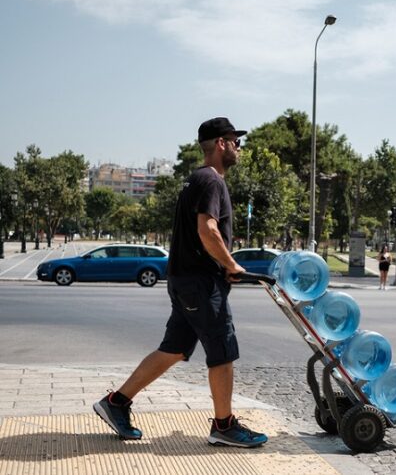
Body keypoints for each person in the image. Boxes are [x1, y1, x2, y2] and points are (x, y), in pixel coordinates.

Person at [93, 117, 268, 449]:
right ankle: (224, 425)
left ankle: (116, 402)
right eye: (235, 141)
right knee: (222, 350)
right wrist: (230, 264)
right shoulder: (211, 180)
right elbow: (208, 230)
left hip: (186, 280)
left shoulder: (196, 179)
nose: (238, 148)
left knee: (173, 350)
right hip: (200, 282)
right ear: (220, 144)